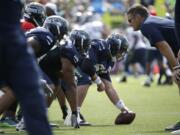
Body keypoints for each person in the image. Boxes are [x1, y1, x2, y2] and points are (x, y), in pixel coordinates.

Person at [0, 0, 52, 135]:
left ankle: (10, 116)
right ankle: (10, 116)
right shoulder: (28, 26)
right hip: (11, 49)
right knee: (26, 93)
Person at [127, 4, 180, 133]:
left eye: (130, 20)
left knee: (179, 79)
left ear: (139, 17)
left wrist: (176, 68)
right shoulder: (153, 21)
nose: (129, 24)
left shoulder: (146, 25)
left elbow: (163, 46)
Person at [76, 33, 134, 125]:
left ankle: (71, 113)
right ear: (115, 47)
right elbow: (86, 66)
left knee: (87, 77)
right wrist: (98, 82)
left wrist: (123, 108)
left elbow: (109, 87)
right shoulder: (99, 46)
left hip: (75, 70)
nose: (122, 54)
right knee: (86, 78)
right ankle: (75, 114)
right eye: (121, 50)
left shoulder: (110, 60)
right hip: (67, 65)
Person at [39, 29, 92, 128]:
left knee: (56, 84)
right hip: (32, 66)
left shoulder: (67, 46)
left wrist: (72, 112)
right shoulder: (70, 50)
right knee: (50, 86)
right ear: (78, 43)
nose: (85, 48)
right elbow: (70, 85)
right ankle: (28, 119)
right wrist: (75, 113)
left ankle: (40, 118)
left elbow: (63, 79)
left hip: (44, 68)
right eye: (84, 45)